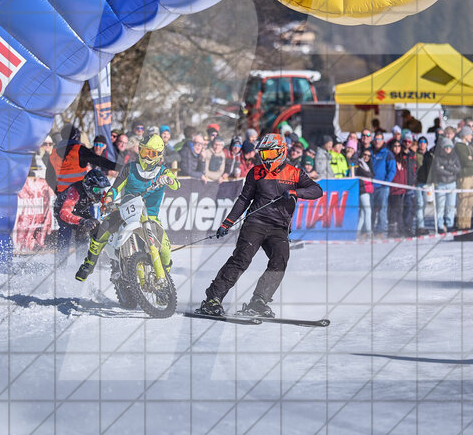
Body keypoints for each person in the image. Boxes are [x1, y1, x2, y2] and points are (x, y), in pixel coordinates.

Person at [196, 134, 323, 317]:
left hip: (278, 227)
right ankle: (212, 299)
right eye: (263, 153)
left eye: (270, 153)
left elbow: (317, 190)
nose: (265, 158)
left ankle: (259, 301)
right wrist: (227, 222)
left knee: (280, 260)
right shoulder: (255, 172)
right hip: (255, 223)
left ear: (281, 152)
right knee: (242, 259)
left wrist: (295, 192)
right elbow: (243, 200)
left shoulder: (294, 173)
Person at [75, 135, 180, 281]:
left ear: (159, 155)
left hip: (150, 217)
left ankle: (164, 279)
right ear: (140, 151)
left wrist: (169, 179)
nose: (148, 158)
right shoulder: (130, 168)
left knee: (166, 251)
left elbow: (176, 184)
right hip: (127, 211)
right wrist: (109, 198)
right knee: (103, 227)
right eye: (145, 152)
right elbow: (116, 187)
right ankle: (88, 264)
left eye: (153, 154)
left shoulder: (163, 171)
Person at [55, 168, 109, 262]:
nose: (100, 193)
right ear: (88, 186)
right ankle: (60, 265)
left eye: (102, 190)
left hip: (81, 209)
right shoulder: (74, 191)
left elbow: (107, 201)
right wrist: (82, 221)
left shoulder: (98, 192)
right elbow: (64, 213)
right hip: (62, 211)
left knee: (90, 227)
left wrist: (110, 207)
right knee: (65, 234)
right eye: (97, 190)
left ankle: (81, 262)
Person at [430, 137, 460, 233]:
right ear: (442, 147)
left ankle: (450, 224)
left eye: (449, 147)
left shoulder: (455, 156)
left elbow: (458, 168)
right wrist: (451, 171)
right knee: (440, 207)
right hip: (441, 184)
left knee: (450, 206)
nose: (448, 149)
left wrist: (446, 167)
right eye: (446, 147)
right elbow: (438, 169)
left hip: (452, 184)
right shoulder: (438, 157)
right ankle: (440, 225)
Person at [371, 132, 395, 235]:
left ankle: (380, 231)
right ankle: (369, 229)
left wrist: (386, 183)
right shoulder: (370, 152)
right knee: (370, 209)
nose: (377, 141)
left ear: (383, 140)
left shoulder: (388, 154)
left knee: (382, 209)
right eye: (376, 139)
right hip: (371, 186)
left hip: (382, 187)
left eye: (379, 139)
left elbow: (392, 170)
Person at [454, 128, 473, 230]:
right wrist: (470, 160)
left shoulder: (469, 147)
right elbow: (466, 161)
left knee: (470, 202)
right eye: (470, 134)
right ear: (464, 135)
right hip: (464, 177)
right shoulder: (459, 146)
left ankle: (467, 224)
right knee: (463, 201)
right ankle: (461, 224)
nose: (471, 137)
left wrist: (472, 159)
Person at [355, 148, 374, 237]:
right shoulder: (359, 163)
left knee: (363, 213)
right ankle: (369, 232)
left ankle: (357, 232)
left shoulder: (367, 165)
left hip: (367, 189)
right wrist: (370, 175)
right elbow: (367, 174)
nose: (366, 157)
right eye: (365, 155)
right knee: (368, 210)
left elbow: (372, 174)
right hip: (362, 190)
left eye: (368, 155)